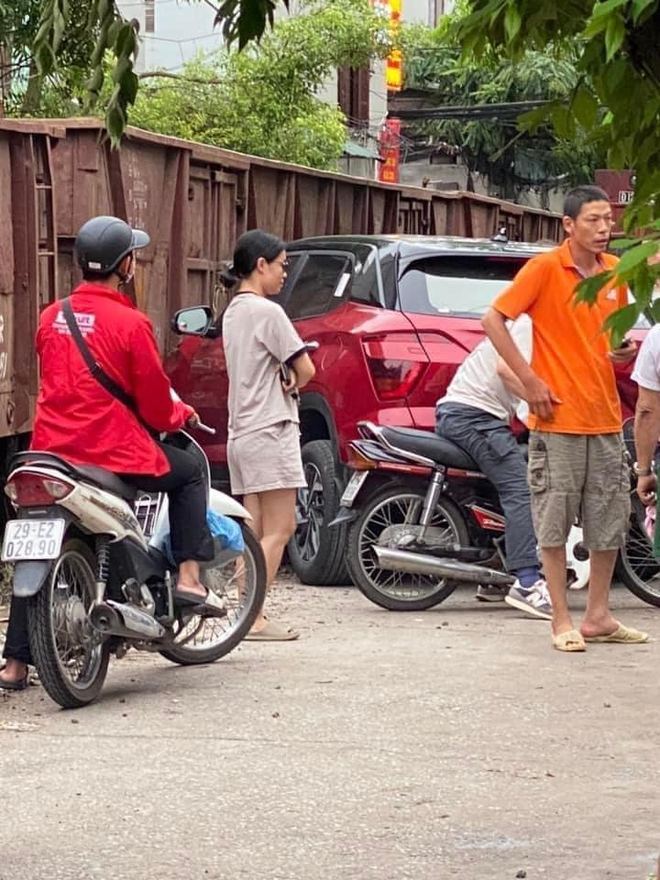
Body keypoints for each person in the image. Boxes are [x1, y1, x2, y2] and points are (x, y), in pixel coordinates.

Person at [0, 215, 223, 691]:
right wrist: (181, 417)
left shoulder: (50, 315)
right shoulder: (131, 322)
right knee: (188, 474)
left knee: (33, 547)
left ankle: (15, 664)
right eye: (133, 258)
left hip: (50, 453)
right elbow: (157, 406)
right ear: (125, 265)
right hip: (111, 451)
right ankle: (188, 577)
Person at [481, 185, 648, 652]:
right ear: (568, 225)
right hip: (557, 422)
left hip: (607, 419)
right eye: (593, 220)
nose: (603, 229)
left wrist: (622, 351)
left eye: (608, 220)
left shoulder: (614, 273)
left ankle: (599, 616)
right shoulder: (544, 269)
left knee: (609, 521)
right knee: (554, 523)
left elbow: (613, 343)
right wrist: (529, 380)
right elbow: (492, 321)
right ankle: (559, 620)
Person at [222, 230, 315, 641]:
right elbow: (306, 369)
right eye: (281, 266)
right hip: (271, 428)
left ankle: (244, 613)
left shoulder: (232, 312)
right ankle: (254, 617)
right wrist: (292, 380)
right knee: (281, 528)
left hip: (241, 431)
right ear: (261, 264)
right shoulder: (268, 312)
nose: (283, 275)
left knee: (254, 530)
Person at [435, 314, 552, 620]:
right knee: (519, 489)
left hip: (468, 415)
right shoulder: (531, 323)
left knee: (497, 488)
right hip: (474, 417)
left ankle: (495, 576)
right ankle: (527, 581)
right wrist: (548, 408)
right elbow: (507, 371)